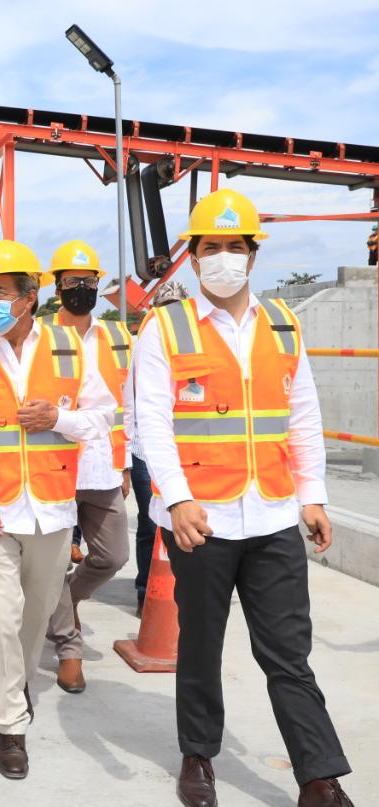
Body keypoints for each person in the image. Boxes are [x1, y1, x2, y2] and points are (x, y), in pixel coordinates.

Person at [135, 189, 352, 807]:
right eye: (212, 247)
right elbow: (152, 424)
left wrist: (313, 495)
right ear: (194, 256)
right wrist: (177, 498)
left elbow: (302, 416)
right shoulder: (165, 327)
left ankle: (318, 777)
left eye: (236, 246)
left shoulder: (281, 324)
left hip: (273, 512)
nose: (224, 257)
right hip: (200, 519)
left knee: (288, 652)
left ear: (253, 256)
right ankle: (198, 756)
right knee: (201, 647)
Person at [0, 240, 114, 780]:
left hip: (52, 508)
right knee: (1, 618)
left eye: (0, 292)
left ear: (29, 296)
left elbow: (102, 418)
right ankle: (10, 725)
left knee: (34, 618)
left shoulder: (68, 347)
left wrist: (58, 419)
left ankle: (15, 687)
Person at [40, 241, 132, 695]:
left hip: (101, 466)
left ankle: (66, 601)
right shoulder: (40, 336)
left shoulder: (119, 337)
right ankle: (68, 648)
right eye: (73, 281)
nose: (82, 288)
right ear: (57, 287)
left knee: (113, 555)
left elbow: (127, 404)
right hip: (53, 463)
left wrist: (126, 462)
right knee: (55, 560)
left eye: (89, 280)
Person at [125, 278, 189, 616]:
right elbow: (130, 401)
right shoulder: (143, 345)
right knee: (151, 523)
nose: (171, 316)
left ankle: (184, 591)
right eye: (166, 309)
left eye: (177, 309)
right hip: (144, 450)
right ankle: (144, 591)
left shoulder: (196, 344)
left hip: (186, 452)